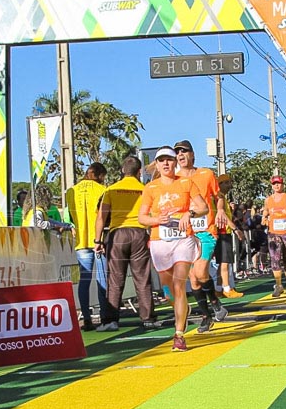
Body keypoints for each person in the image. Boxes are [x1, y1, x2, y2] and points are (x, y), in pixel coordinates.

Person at [137, 147, 207, 352]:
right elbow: (142, 218)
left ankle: (178, 335)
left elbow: (203, 207)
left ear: (175, 162)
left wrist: (190, 214)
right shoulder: (150, 188)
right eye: (161, 160)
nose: (166, 163)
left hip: (183, 239)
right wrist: (156, 219)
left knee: (179, 284)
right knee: (168, 293)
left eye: (169, 159)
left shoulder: (186, 183)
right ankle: (182, 309)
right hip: (160, 241)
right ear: (156, 165)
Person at [95, 156, 160, 330]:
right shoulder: (145, 189)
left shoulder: (111, 190)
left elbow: (101, 217)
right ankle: (148, 318)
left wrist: (97, 240)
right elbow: (153, 215)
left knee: (115, 279)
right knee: (142, 278)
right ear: (139, 172)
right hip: (140, 233)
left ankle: (110, 321)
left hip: (117, 235)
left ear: (123, 170)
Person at [174, 140, 229, 333]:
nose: (181, 155)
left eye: (184, 151)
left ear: (193, 154)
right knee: (193, 279)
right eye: (178, 152)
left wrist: (220, 211)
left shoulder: (206, 174)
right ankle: (207, 315)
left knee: (200, 272)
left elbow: (219, 196)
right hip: (186, 233)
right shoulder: (174, 178)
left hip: (207, 230)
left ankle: (214, 301)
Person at [65, 163, 110, 331]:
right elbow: (105, 215)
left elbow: (70, 216)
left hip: (81, 242)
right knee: (102, 280)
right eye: (102, 176)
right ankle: (105, 316)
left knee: (84, 281)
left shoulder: (71, 191)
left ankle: (86, 317)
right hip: (98, 240)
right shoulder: (102, 190)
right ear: (98, 175)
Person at [261, 175, 286, 297]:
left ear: (282, 184)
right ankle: (278, 285)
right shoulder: (268, 200)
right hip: (274, 233)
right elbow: (266, 211)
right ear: (272, 185)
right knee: (274, 259)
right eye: (274, 184)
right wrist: (264, 217)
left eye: (279, 183)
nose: (276, 185)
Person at [213, 174, 244, 298]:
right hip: (222, 232)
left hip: (223, 232)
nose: (229, 185)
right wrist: (236, 229)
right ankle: (226, 288)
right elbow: (223, 216)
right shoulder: (218, 197)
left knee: (222, 262)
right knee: (225, 262)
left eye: (229, 182)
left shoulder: (223, 198)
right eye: (226, 182)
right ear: (219, 184)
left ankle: (219, 288)